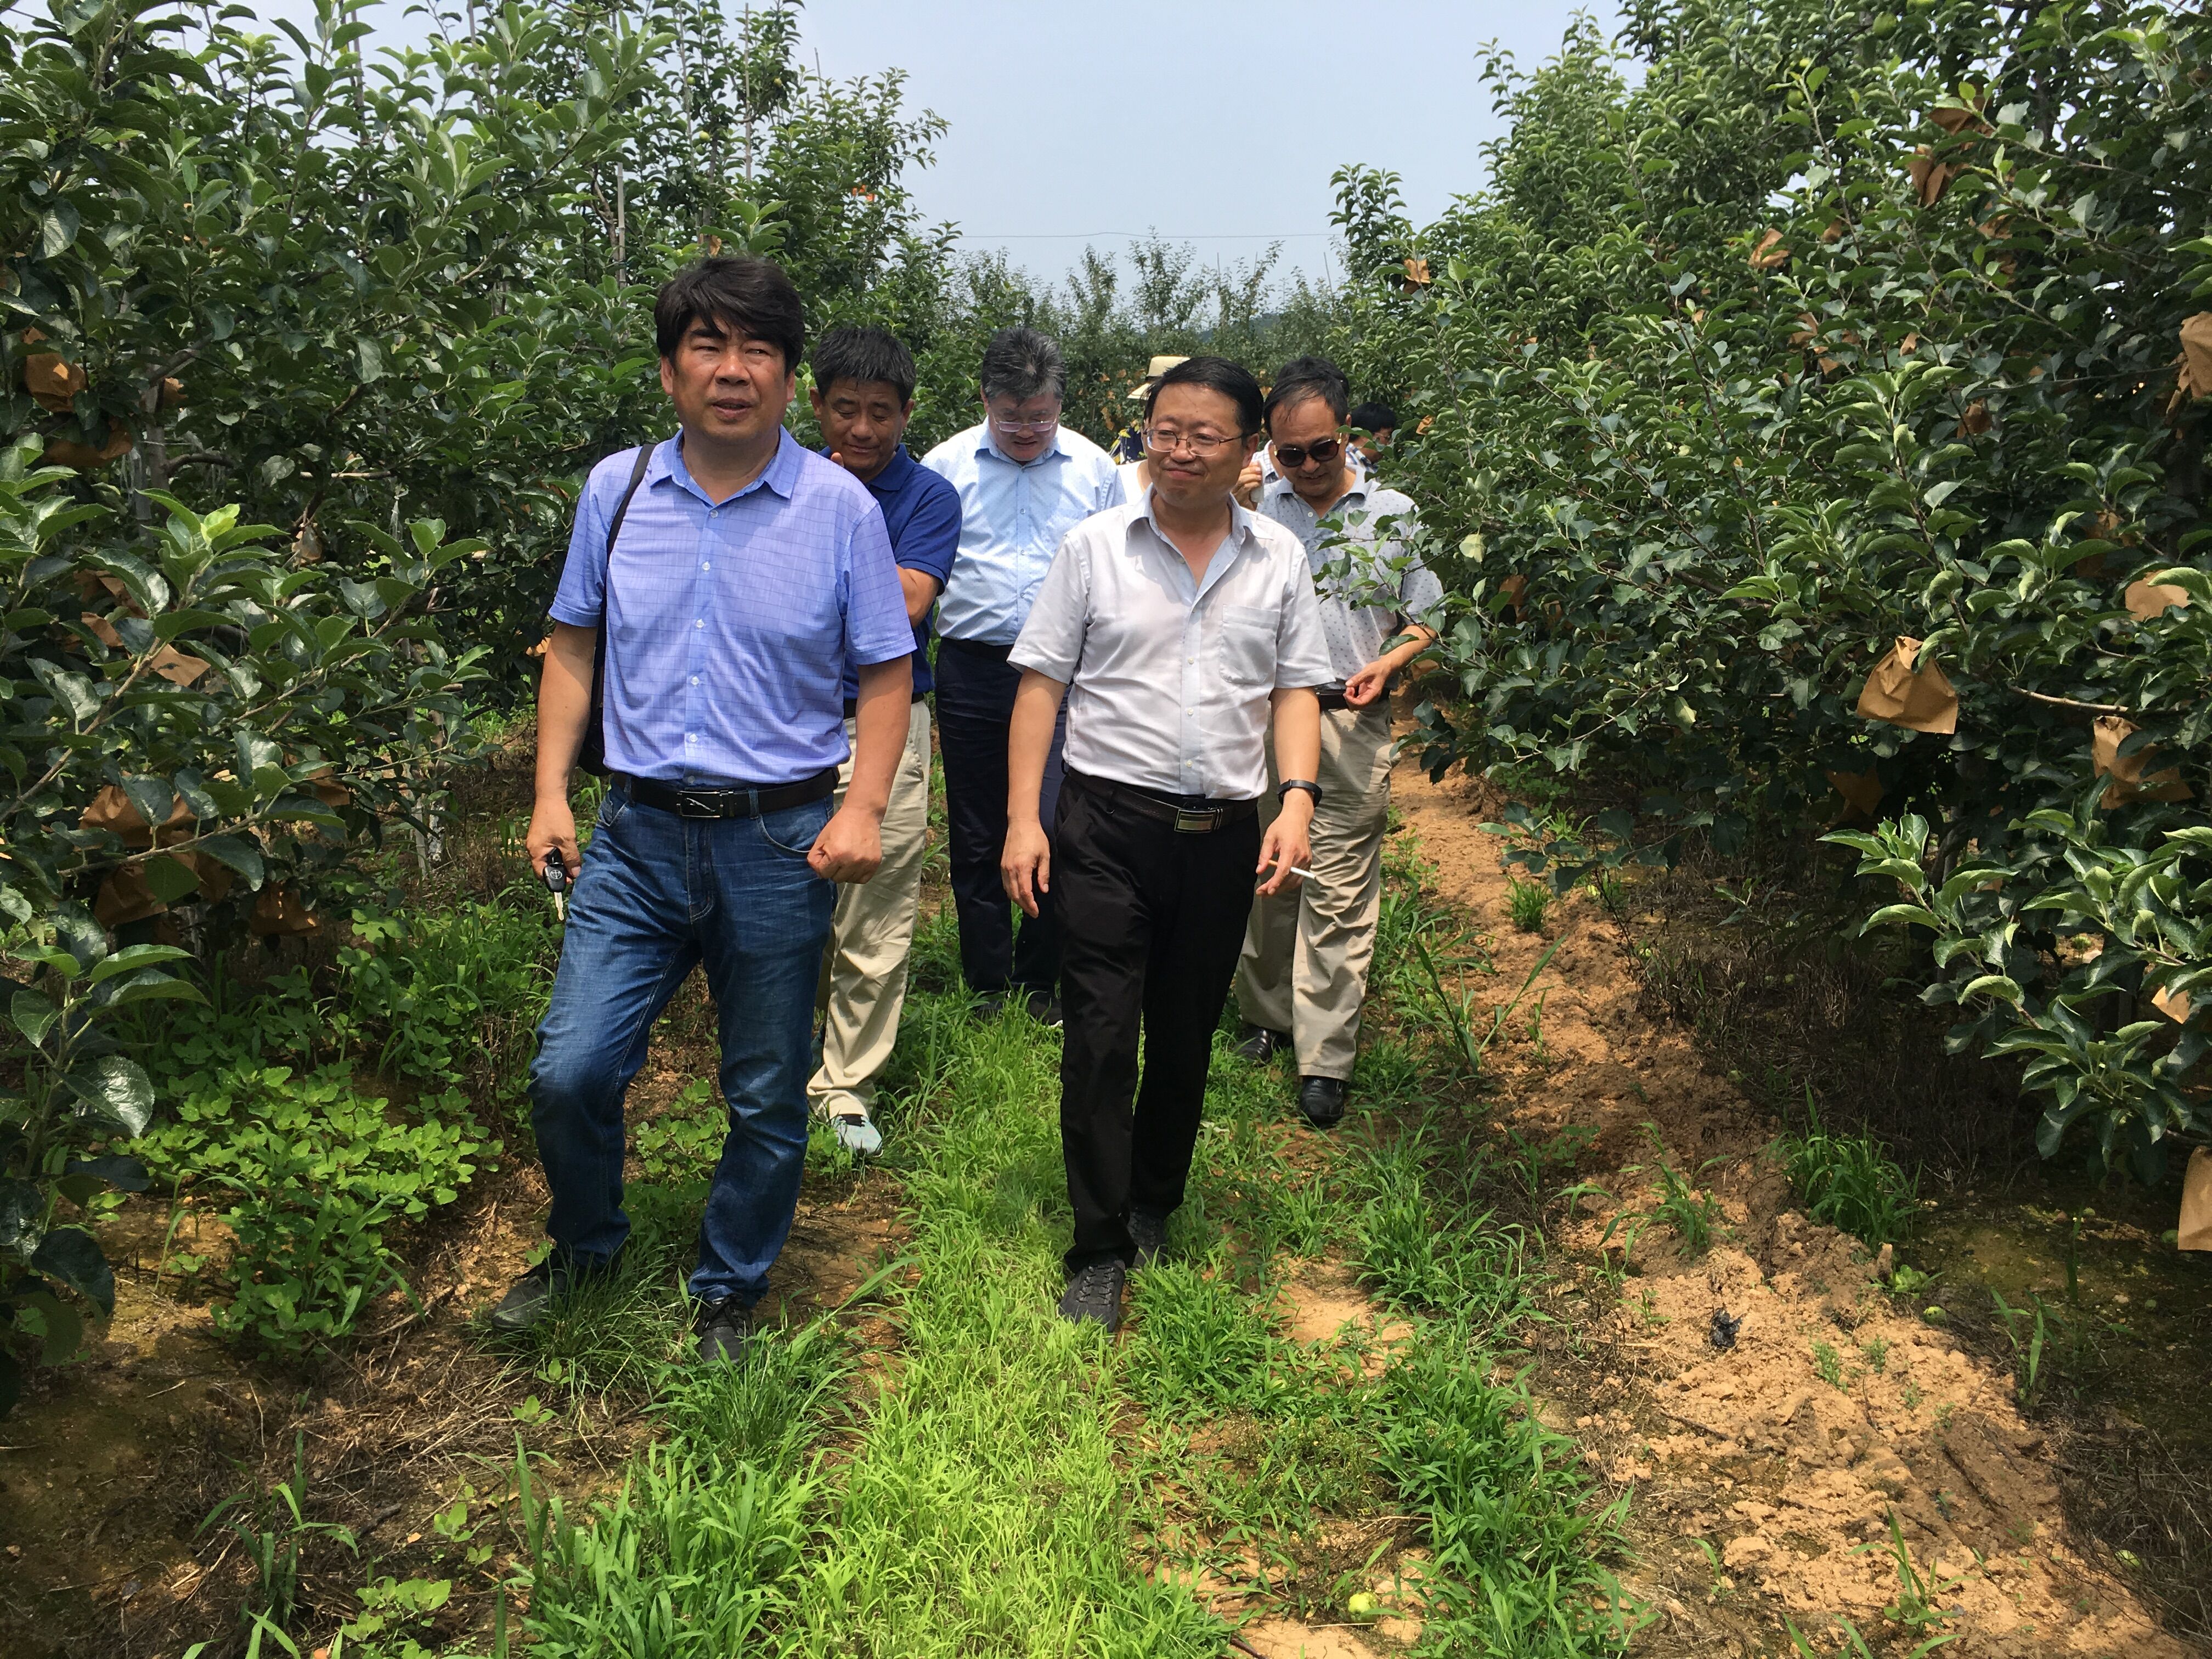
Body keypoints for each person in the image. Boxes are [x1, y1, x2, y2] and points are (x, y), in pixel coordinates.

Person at [494, 257, 915, 1364]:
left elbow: (886, 670)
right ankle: (584, 1246)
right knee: (572, 1069)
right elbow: (573, 644)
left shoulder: (838, 509)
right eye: (708, 347)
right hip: (636, 834)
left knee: (766, 1087)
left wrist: (864, 807)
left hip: (779, 839)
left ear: (790, 377)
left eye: (758, 350)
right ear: (670, 369)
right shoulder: (618, 489)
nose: (733, 371)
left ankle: (730, 1286)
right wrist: (549, 792)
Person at [1002, 356, 1333, 1333]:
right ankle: (1098, 1244)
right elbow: (1041, 688)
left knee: (1184, 1033)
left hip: (1220, 835)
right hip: (1106, 827)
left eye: (1204, 435)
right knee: (1101, 1036)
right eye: (1165, 431)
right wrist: (1024, 818)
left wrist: (1297, 799)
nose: (1179, 450)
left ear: (1249, 449)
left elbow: (1294, 690)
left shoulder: (1278, 557)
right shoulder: (1093, 548)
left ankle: (1153, 1198)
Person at [1233, 357, 1440, 1129]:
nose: (1311, 466)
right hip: (1261, 718)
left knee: (1342, 885)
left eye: (1324, 448)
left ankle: (1324, 1056)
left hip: (1351, 721)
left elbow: (1427, 613)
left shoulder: (1393, 514)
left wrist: (1388, 663)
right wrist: (1234, 506)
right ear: (1270, 447)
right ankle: (1265, 1013)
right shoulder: (1254, 509)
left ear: (1347, 435)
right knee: (1271, 871)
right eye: (1291, 453)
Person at [923, 328, 1121, 1023]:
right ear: (985, 400)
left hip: (1064, 674)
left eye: (1041, 416)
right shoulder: (945, 466)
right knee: (977, 828)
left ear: (1060, 403)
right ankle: (987, 981)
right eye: (1012, 417)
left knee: (1057, 823)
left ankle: (1041, 978)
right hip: (973, 667)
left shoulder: (1095, 471)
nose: (1028, 431)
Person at [804, 326, 962, 1157]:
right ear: (814, 404)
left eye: (880, 413)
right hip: (783, 723)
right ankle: (784, 1059)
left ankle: (845, 1086)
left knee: (875, 911)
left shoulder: (929, 498)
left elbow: (905, 605)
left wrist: (831, 521)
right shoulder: (778, 477)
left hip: (885, 724)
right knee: (787, 907)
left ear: (907, 413)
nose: (861, 430)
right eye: (845, 409)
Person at [1347, 399, 1397, 469]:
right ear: (1366, 435)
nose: (1388, 444)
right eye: (1387, 438)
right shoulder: (1348, 464)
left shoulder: (1368, 465)